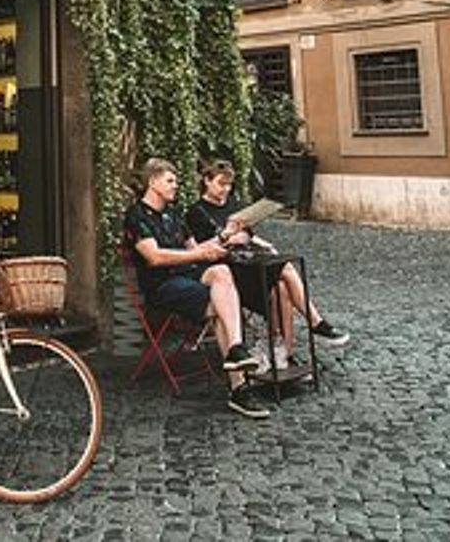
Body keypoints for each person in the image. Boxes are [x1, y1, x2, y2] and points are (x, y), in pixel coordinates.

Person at [123, 158, 270, 419]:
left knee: (222, 272)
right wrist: (200, 256)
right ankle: (239, 388)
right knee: (222, 305)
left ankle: (236, 349)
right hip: (163, 285)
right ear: (152, 182)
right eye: (170, 180)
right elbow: (155, 257)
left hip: (186, 275)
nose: (175, 185)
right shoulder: (137, 216)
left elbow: (196, 249)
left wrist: (224, 236)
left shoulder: (173, 213)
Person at [185, 160, 349, 371]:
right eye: (221, 184)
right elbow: (201, 250)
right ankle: (315, 323)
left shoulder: (235, 205)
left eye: (229, 185)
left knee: (283, 286)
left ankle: (285, 351)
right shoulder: (196, 211)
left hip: (248, 261)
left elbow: (248, 234)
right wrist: (228, 238)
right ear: (207, 181)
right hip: (228, 270)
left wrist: (252, 239)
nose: (226, 189)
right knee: (285, 269)